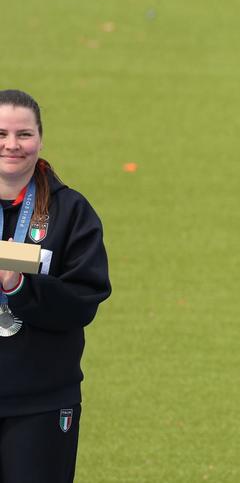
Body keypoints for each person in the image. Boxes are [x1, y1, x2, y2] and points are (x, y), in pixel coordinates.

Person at [0, 90, 110, 483]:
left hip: (41, 401)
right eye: (1, 134)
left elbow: (84, 301)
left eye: (23, 134)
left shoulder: (71, 211)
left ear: (40, 139)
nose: (11, 145)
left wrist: (18, 288)